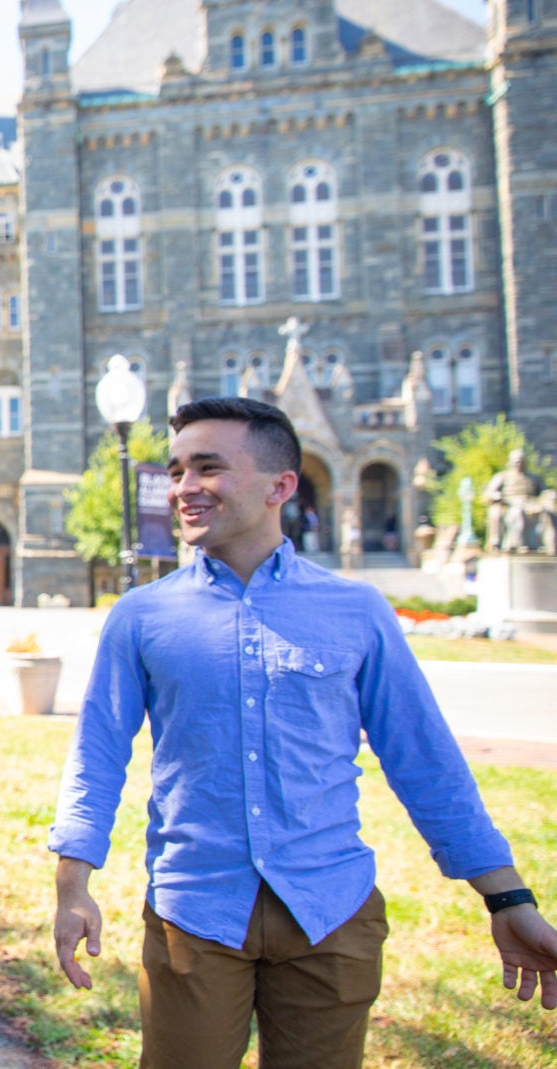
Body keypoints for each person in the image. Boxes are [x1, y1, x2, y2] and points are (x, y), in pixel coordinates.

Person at [50, 396, 557, 1068]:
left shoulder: (357, 611)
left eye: (207, 467)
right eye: (176, 471)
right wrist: (72, 882)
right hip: (194, 916)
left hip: (332, 913)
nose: (183, 488)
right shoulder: (142, 616)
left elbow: (425, 761)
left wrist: (507, 896)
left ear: (280, 487)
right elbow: (98, 753)